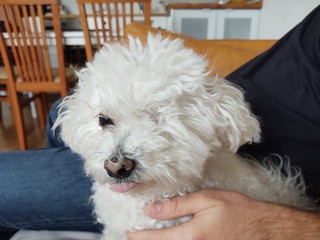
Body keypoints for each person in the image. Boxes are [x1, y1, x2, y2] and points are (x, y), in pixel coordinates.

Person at [1, 4, 320, 240]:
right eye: (106, 120)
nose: (117, 160)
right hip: (221, 104)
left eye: (156, 120)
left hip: (236, 165)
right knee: (60, 112)